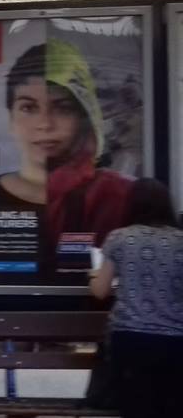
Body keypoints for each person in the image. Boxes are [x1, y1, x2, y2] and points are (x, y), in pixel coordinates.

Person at [0, 38, 134, 274]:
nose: (45, 124)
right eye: (29, 108)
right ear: (10, 119)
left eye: (62, 107)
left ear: (84, 117)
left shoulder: (121, 197)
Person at [89, 178, 183, 418]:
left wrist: (93, 275)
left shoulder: (120, 238)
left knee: (136, 407)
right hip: (175, 341)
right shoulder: (179, 241)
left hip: (130, 340)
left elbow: (100, 291)